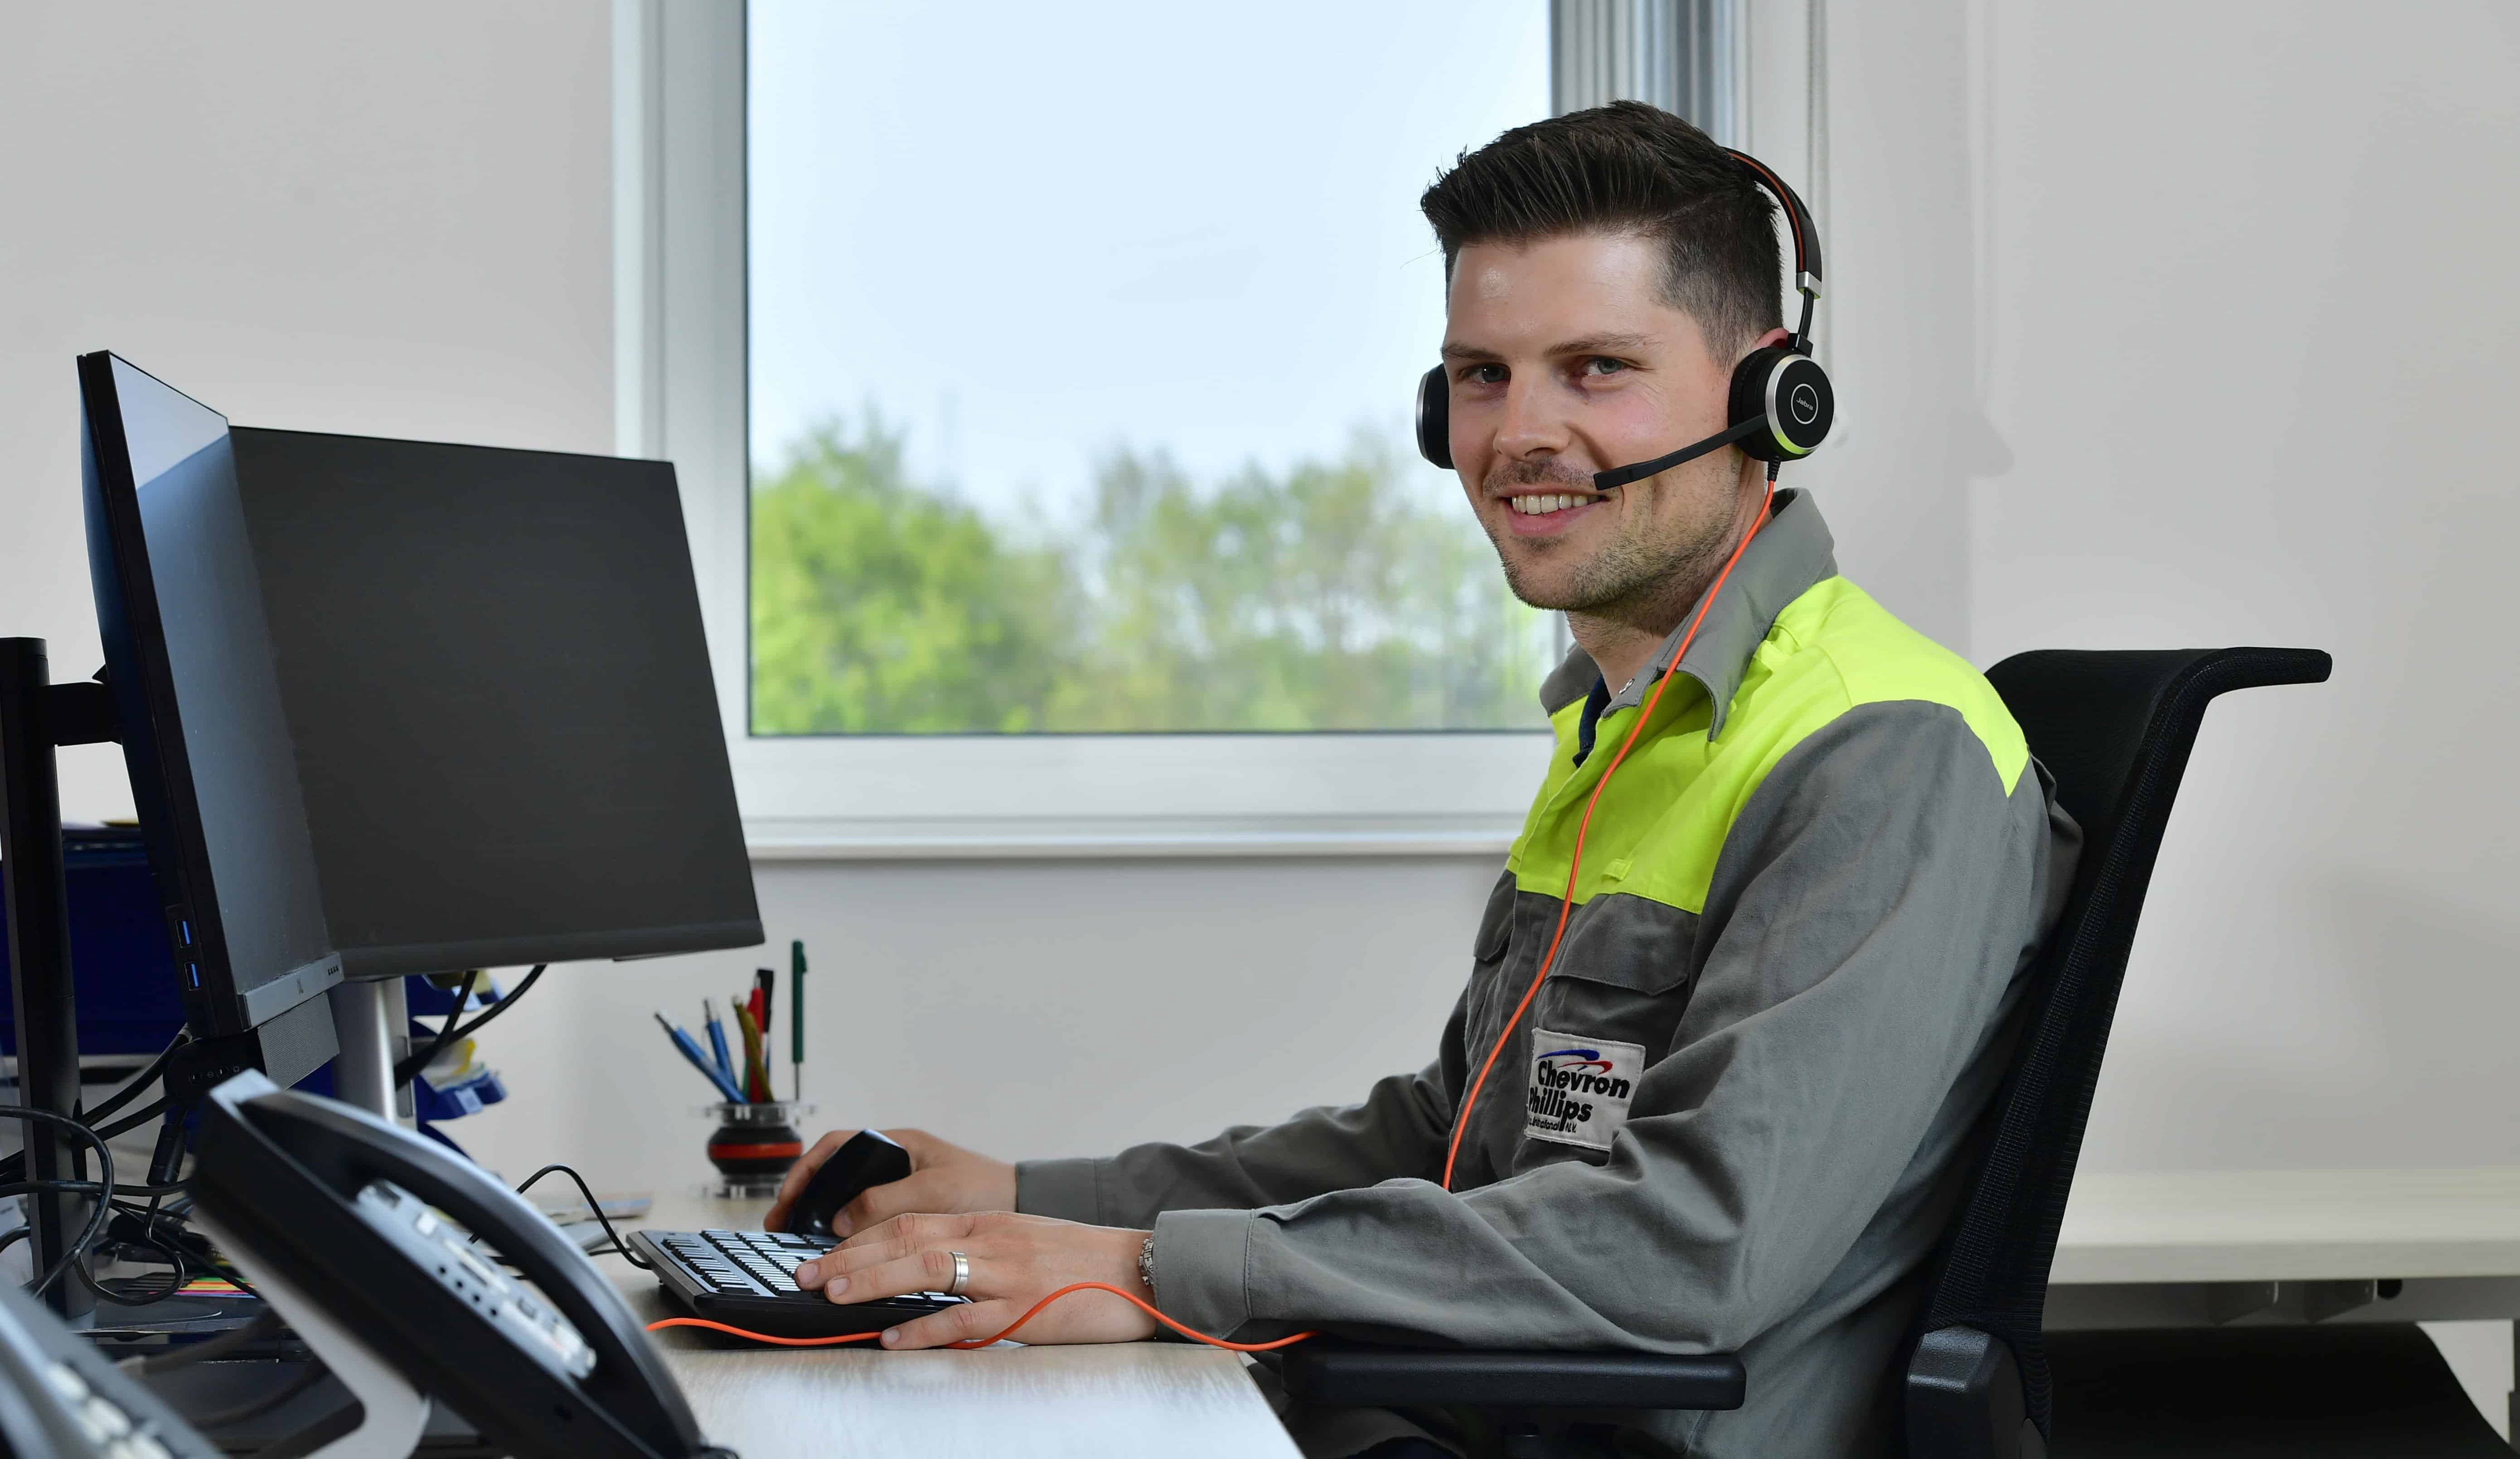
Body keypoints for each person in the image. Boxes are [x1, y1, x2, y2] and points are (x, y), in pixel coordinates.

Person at [769, 101, 2079, 1459]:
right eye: (1482, 375)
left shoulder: (1879, 748)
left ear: (1768, 394)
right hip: (1481, 1415)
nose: (1523, 434)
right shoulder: (1626, 725)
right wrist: (1028, 1196)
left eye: (1597, 367)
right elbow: (1451, 1137)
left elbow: (1691, 1245)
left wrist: (1146, 1270)